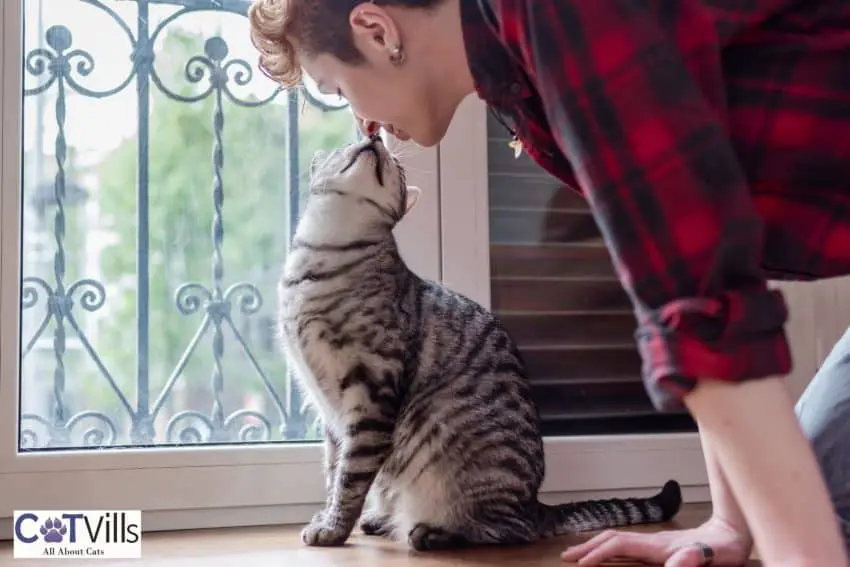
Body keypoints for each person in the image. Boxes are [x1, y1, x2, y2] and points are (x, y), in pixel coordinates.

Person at [247, 0, 850, 564]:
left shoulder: (555, 13)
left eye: (338, 88)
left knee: (813, 523)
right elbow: (705, 251)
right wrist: (729, 523)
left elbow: (699, 303)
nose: (365, 124)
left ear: (377, 31)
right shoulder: (517, 92)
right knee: (809, 496)